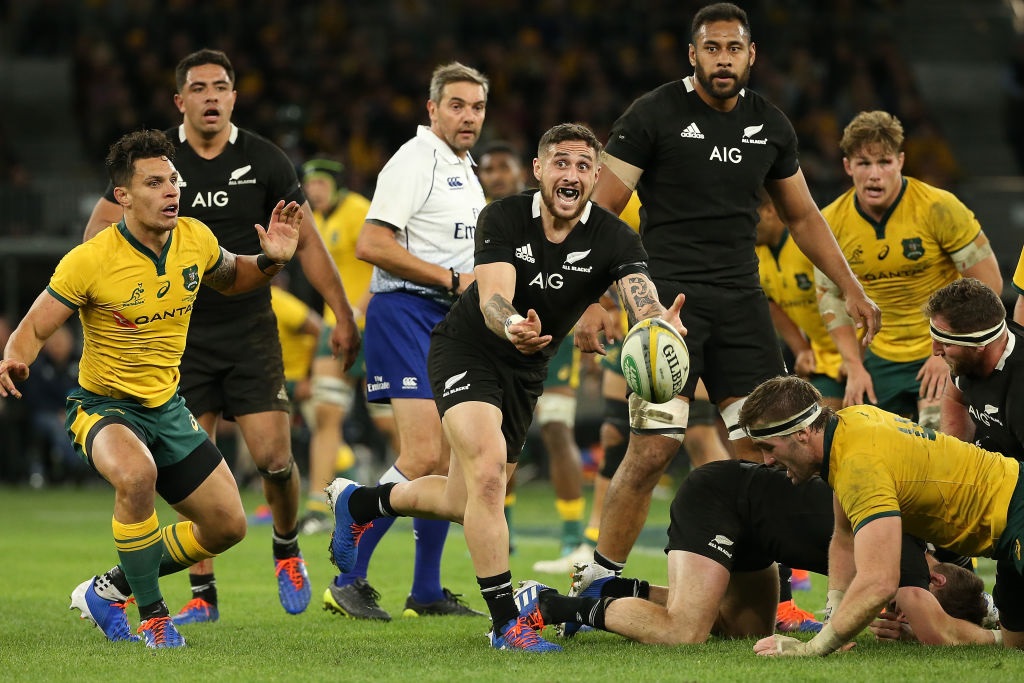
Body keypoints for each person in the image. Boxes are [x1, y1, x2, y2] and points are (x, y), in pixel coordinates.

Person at [569, 1, 879, 616]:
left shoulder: (770, 124)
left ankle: (776, 593)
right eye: (711, 49)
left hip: (742, 306)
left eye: (733, 49)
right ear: (693, 55)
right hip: (665, 309)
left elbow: (801, 216)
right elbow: (599, 214)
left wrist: (850, 285)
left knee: (770, 451)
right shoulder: (653, 114)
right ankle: (599, 577)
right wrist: (595, 299)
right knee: (653, 448)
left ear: (751, 55)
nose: (723, 60)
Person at [326, 122, 685, 653]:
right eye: (561, 162)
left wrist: (658, 322)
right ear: (539, 170)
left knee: (463, 497)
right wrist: (512, 323)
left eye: (584, 165)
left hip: (526, 371)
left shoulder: (615, 236)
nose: (572, 174)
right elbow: (493, 297)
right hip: (469, 348)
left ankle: (361, 504)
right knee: (489, 474)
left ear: (595, 176)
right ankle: (505, 623)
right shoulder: (503, 216)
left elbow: (639, 294)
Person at [82, 49, 360, 621]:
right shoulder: (155, 161)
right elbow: (99, 234)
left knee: (275, 459)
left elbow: (304, 240)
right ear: (179, 100)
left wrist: (343, 312)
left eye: (222, 87)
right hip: (176, 337)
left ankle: (286, 546)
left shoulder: (265, 159)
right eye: (199, 87)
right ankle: (203, 597)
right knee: (199, 472)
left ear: (234, 96)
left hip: (250, 328)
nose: (212, 96)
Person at [0, 129, 301, 647]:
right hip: (103, 408)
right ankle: (154, 616)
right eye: (155, 182)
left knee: (228, 526)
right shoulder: (91, 258)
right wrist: (13, 359)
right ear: (123, 197)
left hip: (167, 408)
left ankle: (110, 588)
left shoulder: (195, 238)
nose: (171, 192)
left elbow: (234, 278)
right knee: (136, 475)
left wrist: (271, 259)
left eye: (173, 181)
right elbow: (34, 327)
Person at [511, 459, 996, 646]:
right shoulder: (909, 551)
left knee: (744, 630)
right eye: (906, 607)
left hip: (756, 530)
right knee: (684, 633)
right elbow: (941, 633)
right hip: (719, 499)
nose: (895, 611)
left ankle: (618, 590)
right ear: (934, 583)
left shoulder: (927, 541)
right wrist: (1004, 641)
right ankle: (548, 605)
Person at [327, 61, 489, 621]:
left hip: (448, 318)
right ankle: (347, 574)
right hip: (404, 310)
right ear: (433, 109)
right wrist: (450, 280)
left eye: (477, 107)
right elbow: (371, 244)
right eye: (457, 105)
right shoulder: (415, 159)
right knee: (422, 454)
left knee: (446, 461)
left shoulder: (466, 169)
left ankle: (424, 591)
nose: (468, 116)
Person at [736, 375, 1024, 656]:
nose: (768, 461)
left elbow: (880, 582)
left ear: (802, 433)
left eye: (768, 447)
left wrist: (813, 648)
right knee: (1016, 643)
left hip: (1017, 509)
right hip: (1006, 522)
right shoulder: (847, 425)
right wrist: (832, 624)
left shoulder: (858, 465)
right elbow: (845, 538)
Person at [815, 110, 1002, 428]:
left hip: (942, 349)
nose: (875, 175)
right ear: (848, 166)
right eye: (864, 163)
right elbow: (831, 297)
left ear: (900, 161)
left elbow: (989, 283)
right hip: (879, 358)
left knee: (938, 441)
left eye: (884, 162)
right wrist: (854, 366)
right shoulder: (829, 223)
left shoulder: (939, 207)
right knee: (872, 447)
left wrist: (947, 350)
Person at [477, 140, 592, 572]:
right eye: (488, 169)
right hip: (492, 333)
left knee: (558, 426)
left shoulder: (547, 213)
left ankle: (571, 535)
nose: (496, 175)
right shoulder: (480, 216)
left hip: (553, 333)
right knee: (500, 435)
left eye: (503, 167)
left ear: (525, 172)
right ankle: (501, 529)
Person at [294, 158, 375, 537]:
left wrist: (358, 309)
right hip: (333, 328)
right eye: (309, 186)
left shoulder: (358, 210)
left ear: (336, 185)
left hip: (372, 326)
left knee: (389, 422)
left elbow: (381, 263)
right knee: (325, 414)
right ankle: (316, 504)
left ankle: (419, 489)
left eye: (321, 184)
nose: (314, 191)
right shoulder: (318, 222)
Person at [756, 190, 844, 410]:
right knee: (813, 425)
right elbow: (771, 302)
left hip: (864, 351)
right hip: (825, 357)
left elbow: (849, 294)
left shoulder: (808, 242)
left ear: (768, 210)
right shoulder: (755, 255)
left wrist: (854, 356)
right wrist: (801, 349)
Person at [927, 278, 1024, 460]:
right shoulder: (969, 357)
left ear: (979, 345)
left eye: (946, 344)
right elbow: (954, 397)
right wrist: (951, 459)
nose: (935, 351)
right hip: (999, 449)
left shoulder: (1019, 393)